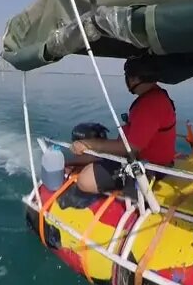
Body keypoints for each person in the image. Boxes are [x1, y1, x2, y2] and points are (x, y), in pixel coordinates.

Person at [67, 58, 177, 194]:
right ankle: (67, 163)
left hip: (149, 167)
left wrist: (89, 144)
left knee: (85, 180)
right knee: (97, 153)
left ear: (134, 79)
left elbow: (131, 148)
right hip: (142, 156)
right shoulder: (156, 95)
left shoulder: (150, 105)